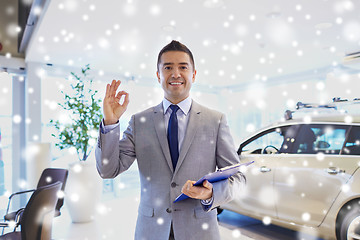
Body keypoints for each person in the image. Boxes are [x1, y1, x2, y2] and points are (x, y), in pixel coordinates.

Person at [95, 40, 245, 240]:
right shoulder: (140, 122)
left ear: (194, 74)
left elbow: (238, 180)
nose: (175, 74)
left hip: (199, 231)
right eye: (168, 68)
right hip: (151, 231)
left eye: (183, 67)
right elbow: (108, 170)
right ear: (158, 75)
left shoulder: (215, 121)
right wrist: (111, 122)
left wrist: (210, 194)